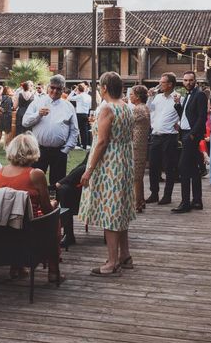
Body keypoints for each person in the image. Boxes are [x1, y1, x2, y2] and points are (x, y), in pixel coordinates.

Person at [79, 72, 135, 276]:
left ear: (103, 88)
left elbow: (102, 141)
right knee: (119, 210)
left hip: (109, 163)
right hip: (124, 160)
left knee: (111, 211)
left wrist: (89, 170)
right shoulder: (126, 106)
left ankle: (112, 262)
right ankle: (125, 255)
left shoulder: (107, 108)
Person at [0, 133, 63, 283]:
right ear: (33, 151)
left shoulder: (0, 173)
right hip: (29, 229)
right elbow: (46, 209)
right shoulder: (35, 174)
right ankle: (53, 270)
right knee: (54, 218)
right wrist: (53, 204)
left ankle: (16, 266)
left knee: (18, 215)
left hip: (5, 227)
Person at [22, 74, 79, 190]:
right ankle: (35, 205)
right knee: (34, 183)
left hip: (59, 151)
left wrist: (66, 149)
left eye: (58, 89)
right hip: (39, 150)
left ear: (63, 90)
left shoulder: (68, 106)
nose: (55, 91)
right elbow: (25, 122)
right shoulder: (37, 102)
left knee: (57, 184)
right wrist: (38, 114)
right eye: (52, 87)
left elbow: (74, 131)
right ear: (48, 87)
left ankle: (56, 205)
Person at [172, 71, 208, 213]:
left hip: (191, 135)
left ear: (195, 81)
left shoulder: (199, 95)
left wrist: (192, 135)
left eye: (190, 80)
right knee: (193, 169)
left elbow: (202, 117)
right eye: (185, 80)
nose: (188, 82)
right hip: (185, 133)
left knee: (183, 167)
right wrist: (177, 106)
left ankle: (185, 202)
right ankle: (197, 201)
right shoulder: (188, 96)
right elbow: (186, 115)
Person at [145, 72, 180, 205]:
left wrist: (180, 125)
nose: (159, 85)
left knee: (169, 167)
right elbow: (148, 110)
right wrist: (150, 97)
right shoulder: (157, 97)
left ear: (170, 84)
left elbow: (183, 114)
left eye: (162, 82)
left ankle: (167, 195)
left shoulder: (177, 97)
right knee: (153, 167)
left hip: (170, 136)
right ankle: (154, 193)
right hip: (156, 135)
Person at [129, 84, 151, 213]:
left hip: (135, 145)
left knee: (135, 176)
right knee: (139, 174)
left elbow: (127, 124)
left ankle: (137, 203)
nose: (130, 97)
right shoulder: (145, 108)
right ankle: (141, 200)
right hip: (142, 144)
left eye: (131, 94)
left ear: (137, 97)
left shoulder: (137, 109)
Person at [69, 83, 92, 149]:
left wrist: (73, 91)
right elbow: (90, 106)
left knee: (76, 129)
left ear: (78, 89)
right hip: (86, 113)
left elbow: (69, 98)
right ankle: (85, 145)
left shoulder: (79, 96)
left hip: (79, 114)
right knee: (84, 130)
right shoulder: (88, 96)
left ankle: (78, 144)